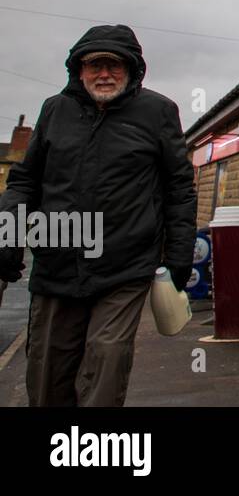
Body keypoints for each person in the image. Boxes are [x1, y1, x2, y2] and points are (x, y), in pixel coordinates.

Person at [0, 24, 197, 407]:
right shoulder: (55, 110)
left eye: (114, 65)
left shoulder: (157, 112)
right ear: (79, 70)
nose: (104, 74)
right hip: (56, 262)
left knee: (106, 362)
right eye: (95, 65)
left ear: (132, 70)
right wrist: (6, 235)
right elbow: (25, 180)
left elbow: (179, 189)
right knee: (46, 374)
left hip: (124, 267)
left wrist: (178, 258)